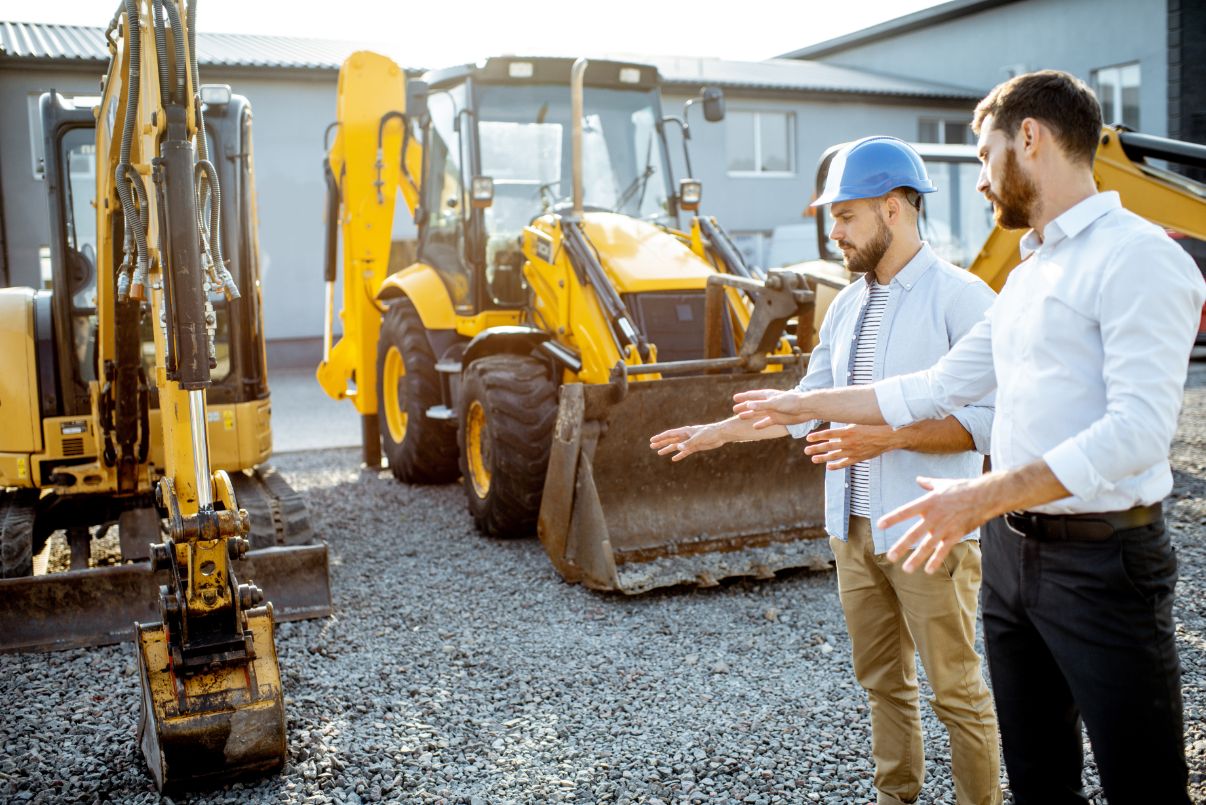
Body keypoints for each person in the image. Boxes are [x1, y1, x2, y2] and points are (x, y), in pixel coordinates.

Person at [733, 70, 1205, 805]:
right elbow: (932, 385)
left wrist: (977, 494)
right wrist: (799, 403)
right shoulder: (1027, 275)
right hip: (1015, 559)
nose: (982, 182)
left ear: (1029, 138)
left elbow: (1139, 433)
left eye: (984, 157)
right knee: (1040, 778)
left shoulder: (1138, 257)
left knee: (1142, 784)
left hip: (1105, 563)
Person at [652, 136, 1002, 805]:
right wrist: (714, 434)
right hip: (852, 530)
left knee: (956, 690)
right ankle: (894, 797)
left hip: (928, 530)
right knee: (882, 684)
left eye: (846, 215)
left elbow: (987, 424)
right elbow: (801, 406)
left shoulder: (962, 298)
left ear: (895, 208)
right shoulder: (844, 307)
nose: (833, 231)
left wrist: (885, 438)